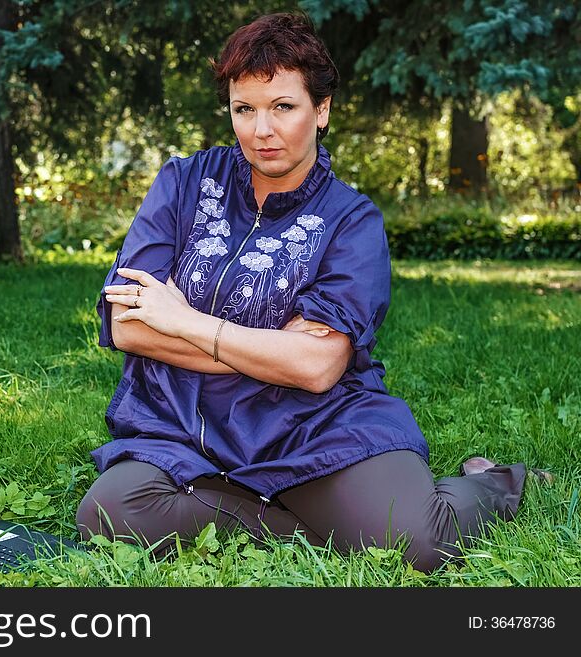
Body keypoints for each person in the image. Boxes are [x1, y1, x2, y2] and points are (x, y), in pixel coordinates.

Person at [75, 12, 529, 574]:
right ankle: (318, 525)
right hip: (184, 425)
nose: (261, 131)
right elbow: (127, 324)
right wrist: (272, 349)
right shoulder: (184, 182)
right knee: (108, 512)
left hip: (313, 425)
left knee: (419, 543)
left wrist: (184, 320)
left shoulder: (351, 221)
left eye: (283, 107)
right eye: (245, 109)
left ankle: (489, 484)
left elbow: (316, 369)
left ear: (322, 110)